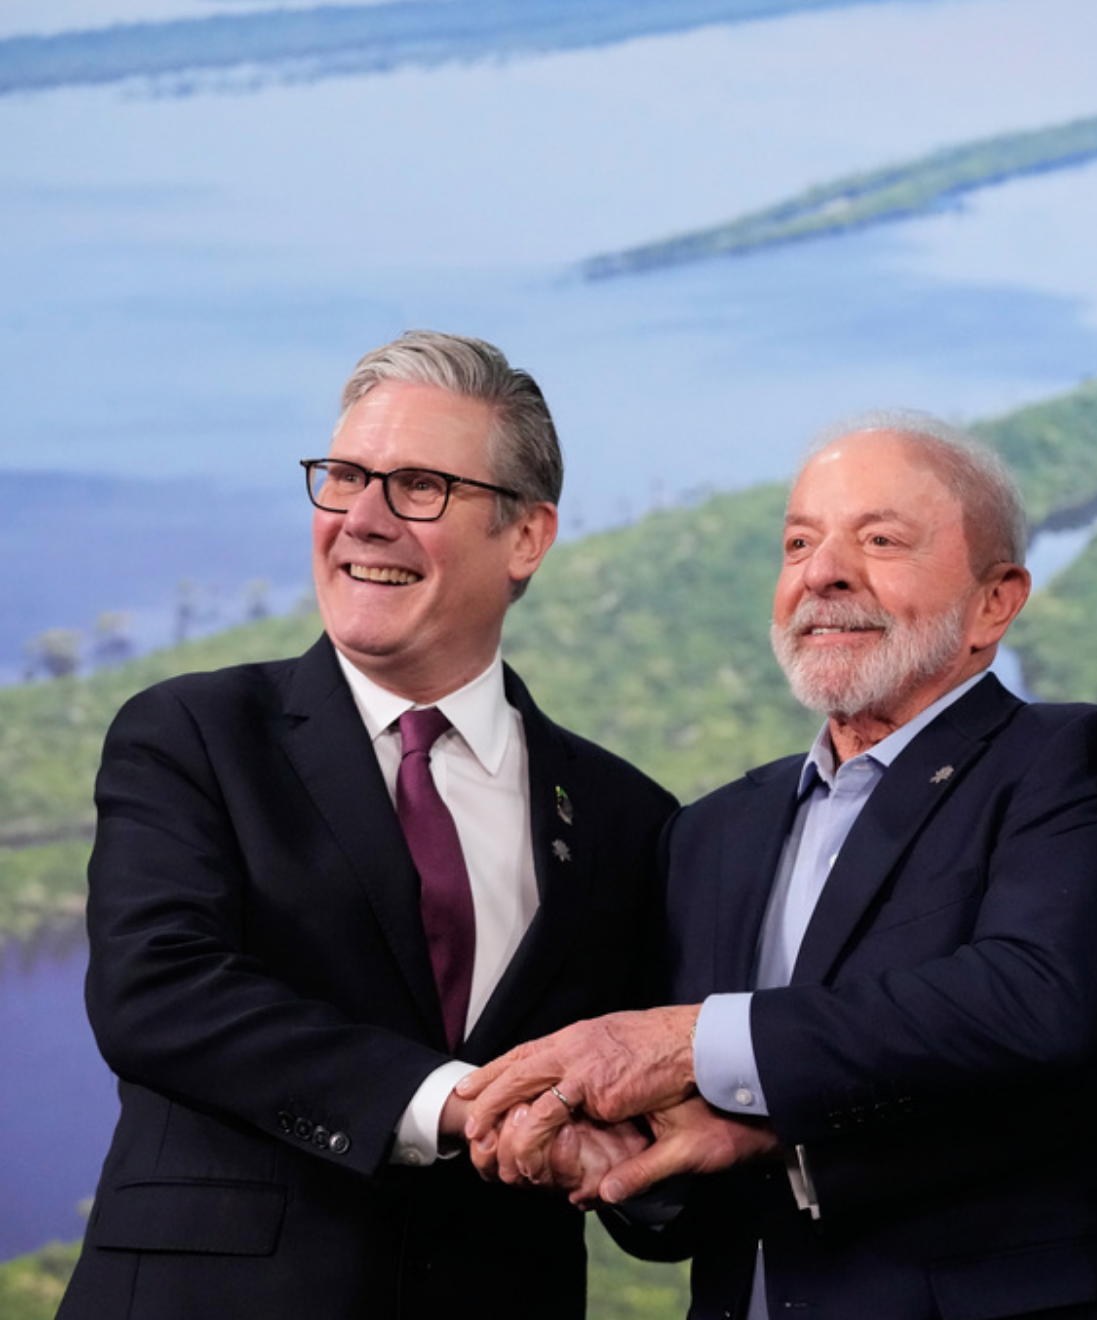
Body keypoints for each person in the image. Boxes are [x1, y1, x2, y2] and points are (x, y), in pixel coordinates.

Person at [457, 414, 1097, 1320]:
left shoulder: (1070, 760)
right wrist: (627, 1168)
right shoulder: (711, 833)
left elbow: (1032, 1001)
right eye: (798, 542)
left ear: (995, 601)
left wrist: (692, 1043)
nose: (823, 571)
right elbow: (689, 1195)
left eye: (879, 540)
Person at [59, 331, 678, 1320]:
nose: (364, 519)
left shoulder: (624, 817)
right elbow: (157, 993)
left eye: (419, 486)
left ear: (527, 535)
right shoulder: (195, 735)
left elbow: (650, 1126)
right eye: (344, 477)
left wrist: (664, 1165)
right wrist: (456, 1103)